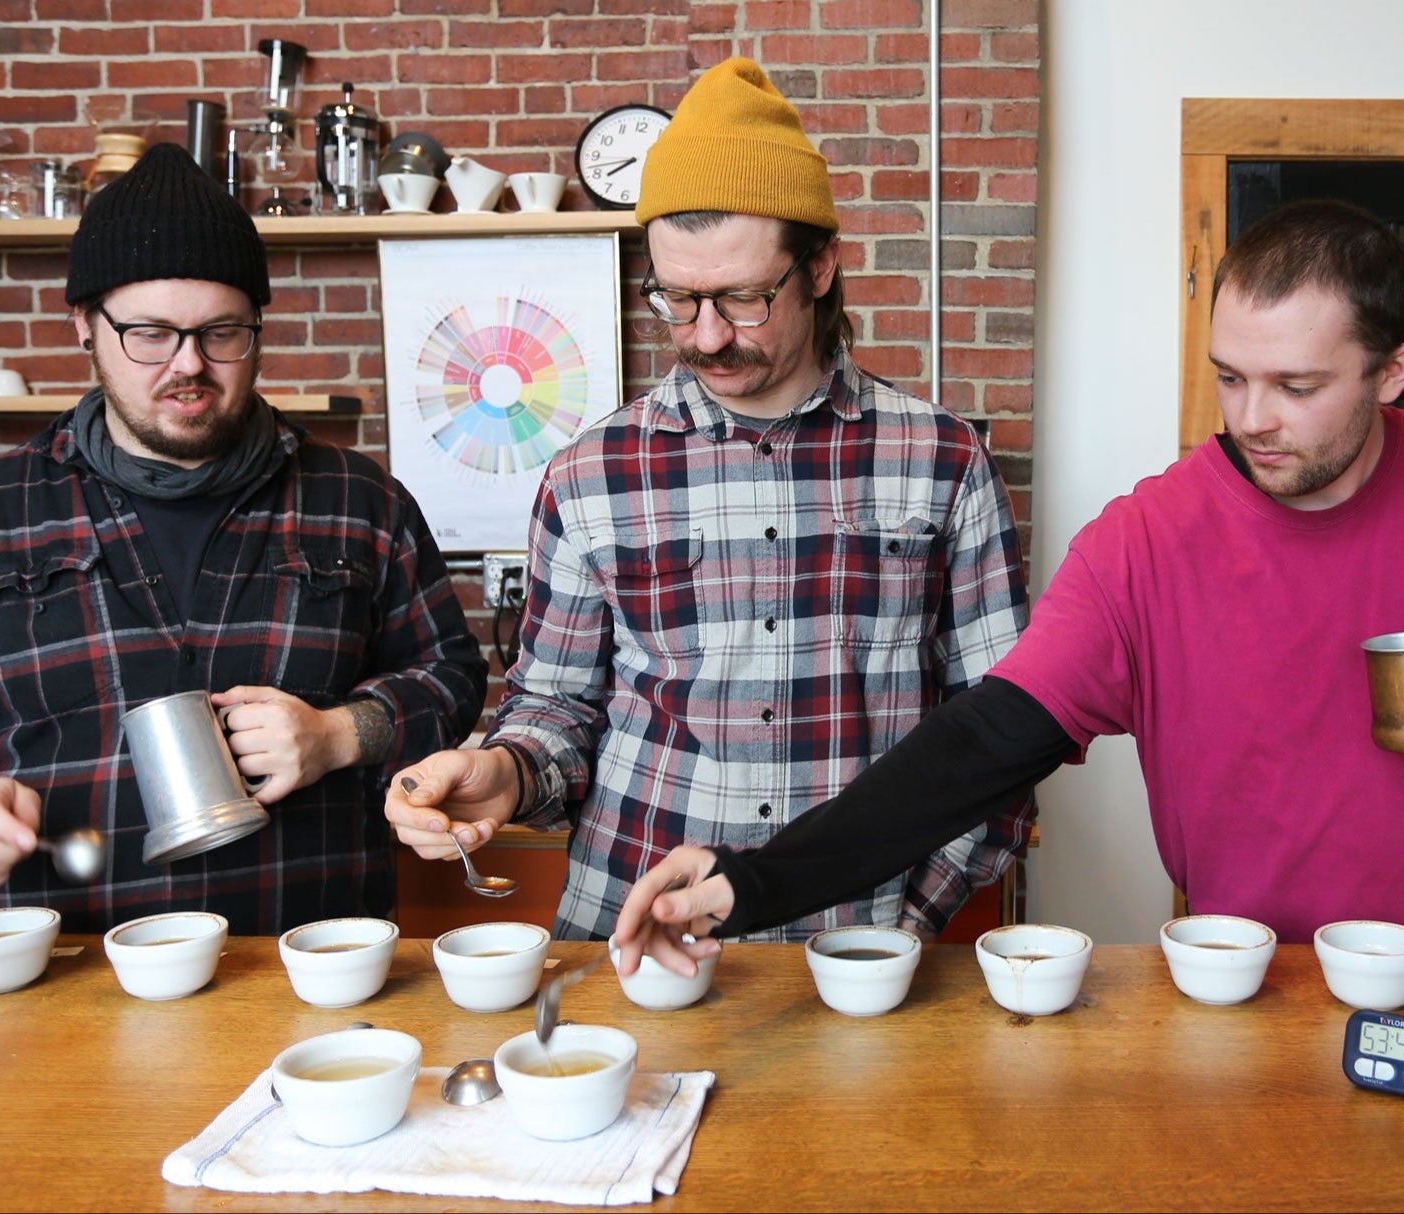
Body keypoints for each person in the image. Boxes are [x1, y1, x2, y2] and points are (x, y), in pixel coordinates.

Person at [615, 198, 1404, 1039]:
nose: (1250, 418)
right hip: (1251, 983)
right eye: (1230, 376)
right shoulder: (1148, 537)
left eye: (1296, 385)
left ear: (1392, 370)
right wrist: (752, 879)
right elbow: (978, 744)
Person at [385, 57, 1033, 942]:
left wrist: (906, 921)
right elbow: (557, 709)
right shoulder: (589, 472)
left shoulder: (941, 460)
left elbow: (999, 733)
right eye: (678, 299)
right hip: (632, 935)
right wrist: (506, 770)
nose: (709, 336)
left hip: (859, 945)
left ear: (820, 267)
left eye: (741, 297)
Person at [0, 143, 488, 935]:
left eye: (221, 333)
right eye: (150, 334)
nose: (189, 366)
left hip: (309, 969)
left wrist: (343, 732)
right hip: (64, 979)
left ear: (257, 329)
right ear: (85, 325)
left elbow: (450, 675)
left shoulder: (358, 499)